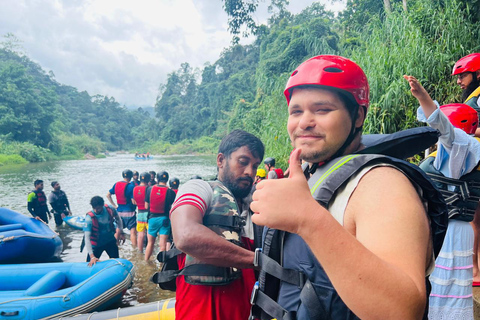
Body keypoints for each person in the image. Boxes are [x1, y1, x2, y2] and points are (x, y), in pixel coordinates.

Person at [249, 55, 448, 320]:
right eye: (296, 111)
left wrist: (308, 219)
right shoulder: (311, 173)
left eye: (322, 110)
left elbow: (401, 312)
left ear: (357, 117)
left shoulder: (382, 183)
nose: (304, 122)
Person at [405, 75, 480, 319]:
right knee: (446, 287)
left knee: (445, 288)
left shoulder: (461, 150)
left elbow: (445, 129)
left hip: (451, 233)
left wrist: (423, 97)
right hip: (449, 230)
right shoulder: (453, 153)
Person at [168, 129, 264, 320]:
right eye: (243, 162)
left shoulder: (257, 208)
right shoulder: (198, 189)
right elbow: (185, 235)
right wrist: (257, 261)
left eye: (255, 166)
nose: (249, 172)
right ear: (221, 160)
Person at [83, 196, 125, 266]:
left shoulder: (110, 209)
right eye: (95, 208)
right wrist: (92, 256)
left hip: (110, 241)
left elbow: (119, 219)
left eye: (98, 208)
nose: (96, 210)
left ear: (102, 205)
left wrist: (121, 232)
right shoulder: (89, 219)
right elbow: (87, 238)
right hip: (96, 245)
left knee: (116, 263)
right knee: (89, 264)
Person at [144, 171, 176, 261]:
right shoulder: (171, 192)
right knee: (163, 245)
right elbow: (170, 207)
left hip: (152, 219)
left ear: (157, 179)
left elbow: (146, 206)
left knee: (150, 243)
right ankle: (162, 266)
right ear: (167, 179)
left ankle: (146, 262)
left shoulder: (149, 189)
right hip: (164, 220)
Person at [106, 169, 137, 247]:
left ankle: (115, 246)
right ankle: (135, 250)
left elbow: (108, 195)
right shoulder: (131, 186)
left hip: (119, 212)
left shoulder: (116, 184)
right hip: (130, 212)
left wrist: (114, 206)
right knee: (133, 232)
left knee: (118, 230)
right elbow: (133, 201)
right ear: (131, 177)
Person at [452, 53, 480, 137]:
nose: (458, 81)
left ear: (478, 74)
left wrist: (461, 132)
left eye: (462, 76)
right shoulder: (475, 96)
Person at [133, 172, 151, 254]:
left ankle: (140, 252)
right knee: (149, 234)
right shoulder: (149, 189)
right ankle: (150, 251)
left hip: (139, 213)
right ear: (148, 179)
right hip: (148, 213)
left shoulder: (135, 188)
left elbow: (133, 202)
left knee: (140, 234)